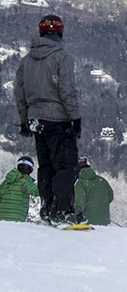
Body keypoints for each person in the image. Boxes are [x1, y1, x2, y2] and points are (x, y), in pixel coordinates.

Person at [14, 15, 81, 224]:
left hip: (36, 120)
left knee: (46, 166)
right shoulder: (62, 58)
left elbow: (19, 92)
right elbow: (67, 90)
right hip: (58, 120)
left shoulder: (26, 61)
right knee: (66, 166)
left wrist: (25, 119)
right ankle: (62, 212)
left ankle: (47, 209)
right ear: (60, 33)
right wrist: (75, 117)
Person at [74, 156, 114, 226]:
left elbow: (80, 203)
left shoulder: (80, 183)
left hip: (87, 223)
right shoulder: (102, 181)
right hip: (104, 222)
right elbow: (110, 197)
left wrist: (73, 215)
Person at [0, 156, 39, 222]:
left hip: (1, 217)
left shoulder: (6, 181)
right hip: (16, 218)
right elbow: (35, 191)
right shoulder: (24, 181)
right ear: (30, 170)